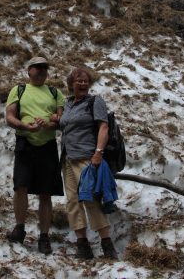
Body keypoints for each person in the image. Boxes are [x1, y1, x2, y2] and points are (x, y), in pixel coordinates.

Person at [5, 56, 65, 254]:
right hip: (25, 144)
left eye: (44, 68)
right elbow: (10, 116)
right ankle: (19, 228)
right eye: (37, 68)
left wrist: (50, 124)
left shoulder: (55, 93)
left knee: (45, 193)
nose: (41, 71)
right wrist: (24, 126)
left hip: (47, 145)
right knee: (20, 187)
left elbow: (62, 121)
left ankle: (44, 236)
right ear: (28, 71)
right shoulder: (19, 90)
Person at [58, 67, 118, 260]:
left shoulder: (94, 101)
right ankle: (82, 246)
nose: (83, 84)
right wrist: (54, 120)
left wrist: (98, 153)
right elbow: (65, 123)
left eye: (85, 81)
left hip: (87, 158)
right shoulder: (68, 104)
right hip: (68, 159)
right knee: (73, 202)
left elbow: (103, 127)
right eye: (79, 81)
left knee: (91, 200)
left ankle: (107, 245)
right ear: (71, 84)